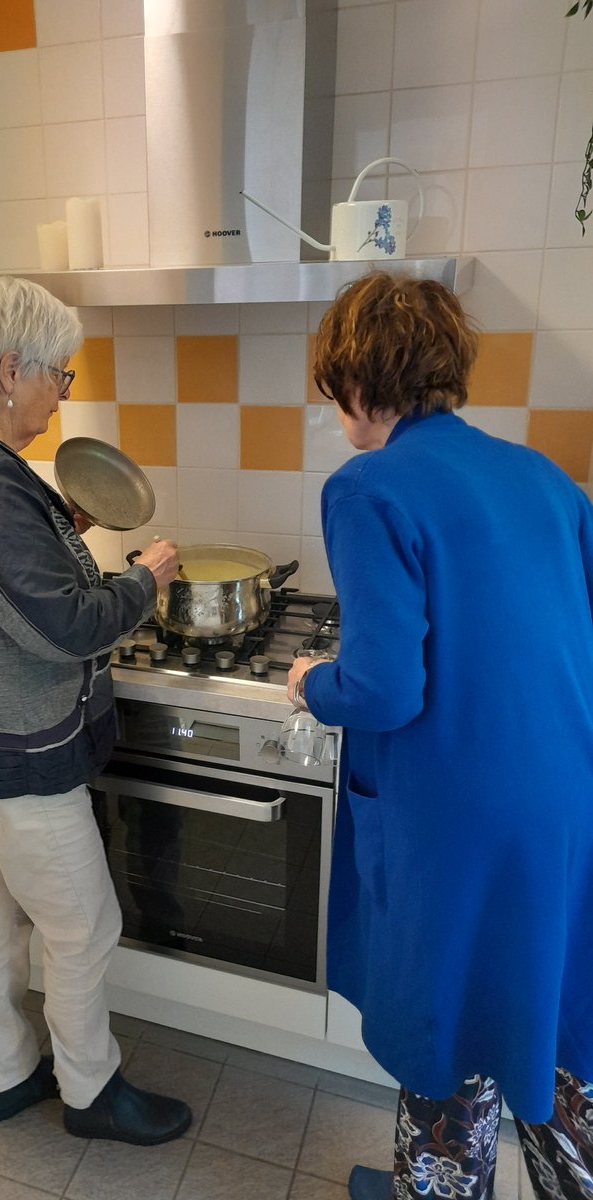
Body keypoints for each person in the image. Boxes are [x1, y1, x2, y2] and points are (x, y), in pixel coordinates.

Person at [287, 272, 593, 1200]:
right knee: (541, 1010)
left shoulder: (368, 486)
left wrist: (312, 684)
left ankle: (439, 1186)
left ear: (351, 382)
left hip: (459, 813)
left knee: (449, 1024)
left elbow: (381, 688)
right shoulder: (544, 477)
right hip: (563, 801)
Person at [0, 273, 192, 1146]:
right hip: (17, 757)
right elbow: (60, 628)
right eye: (60, 375)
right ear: (13, 367)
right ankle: (92, 1094)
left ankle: (11, 1071)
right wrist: (144, 580)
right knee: (84, 928)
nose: (64, 397)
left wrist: (57, 523)